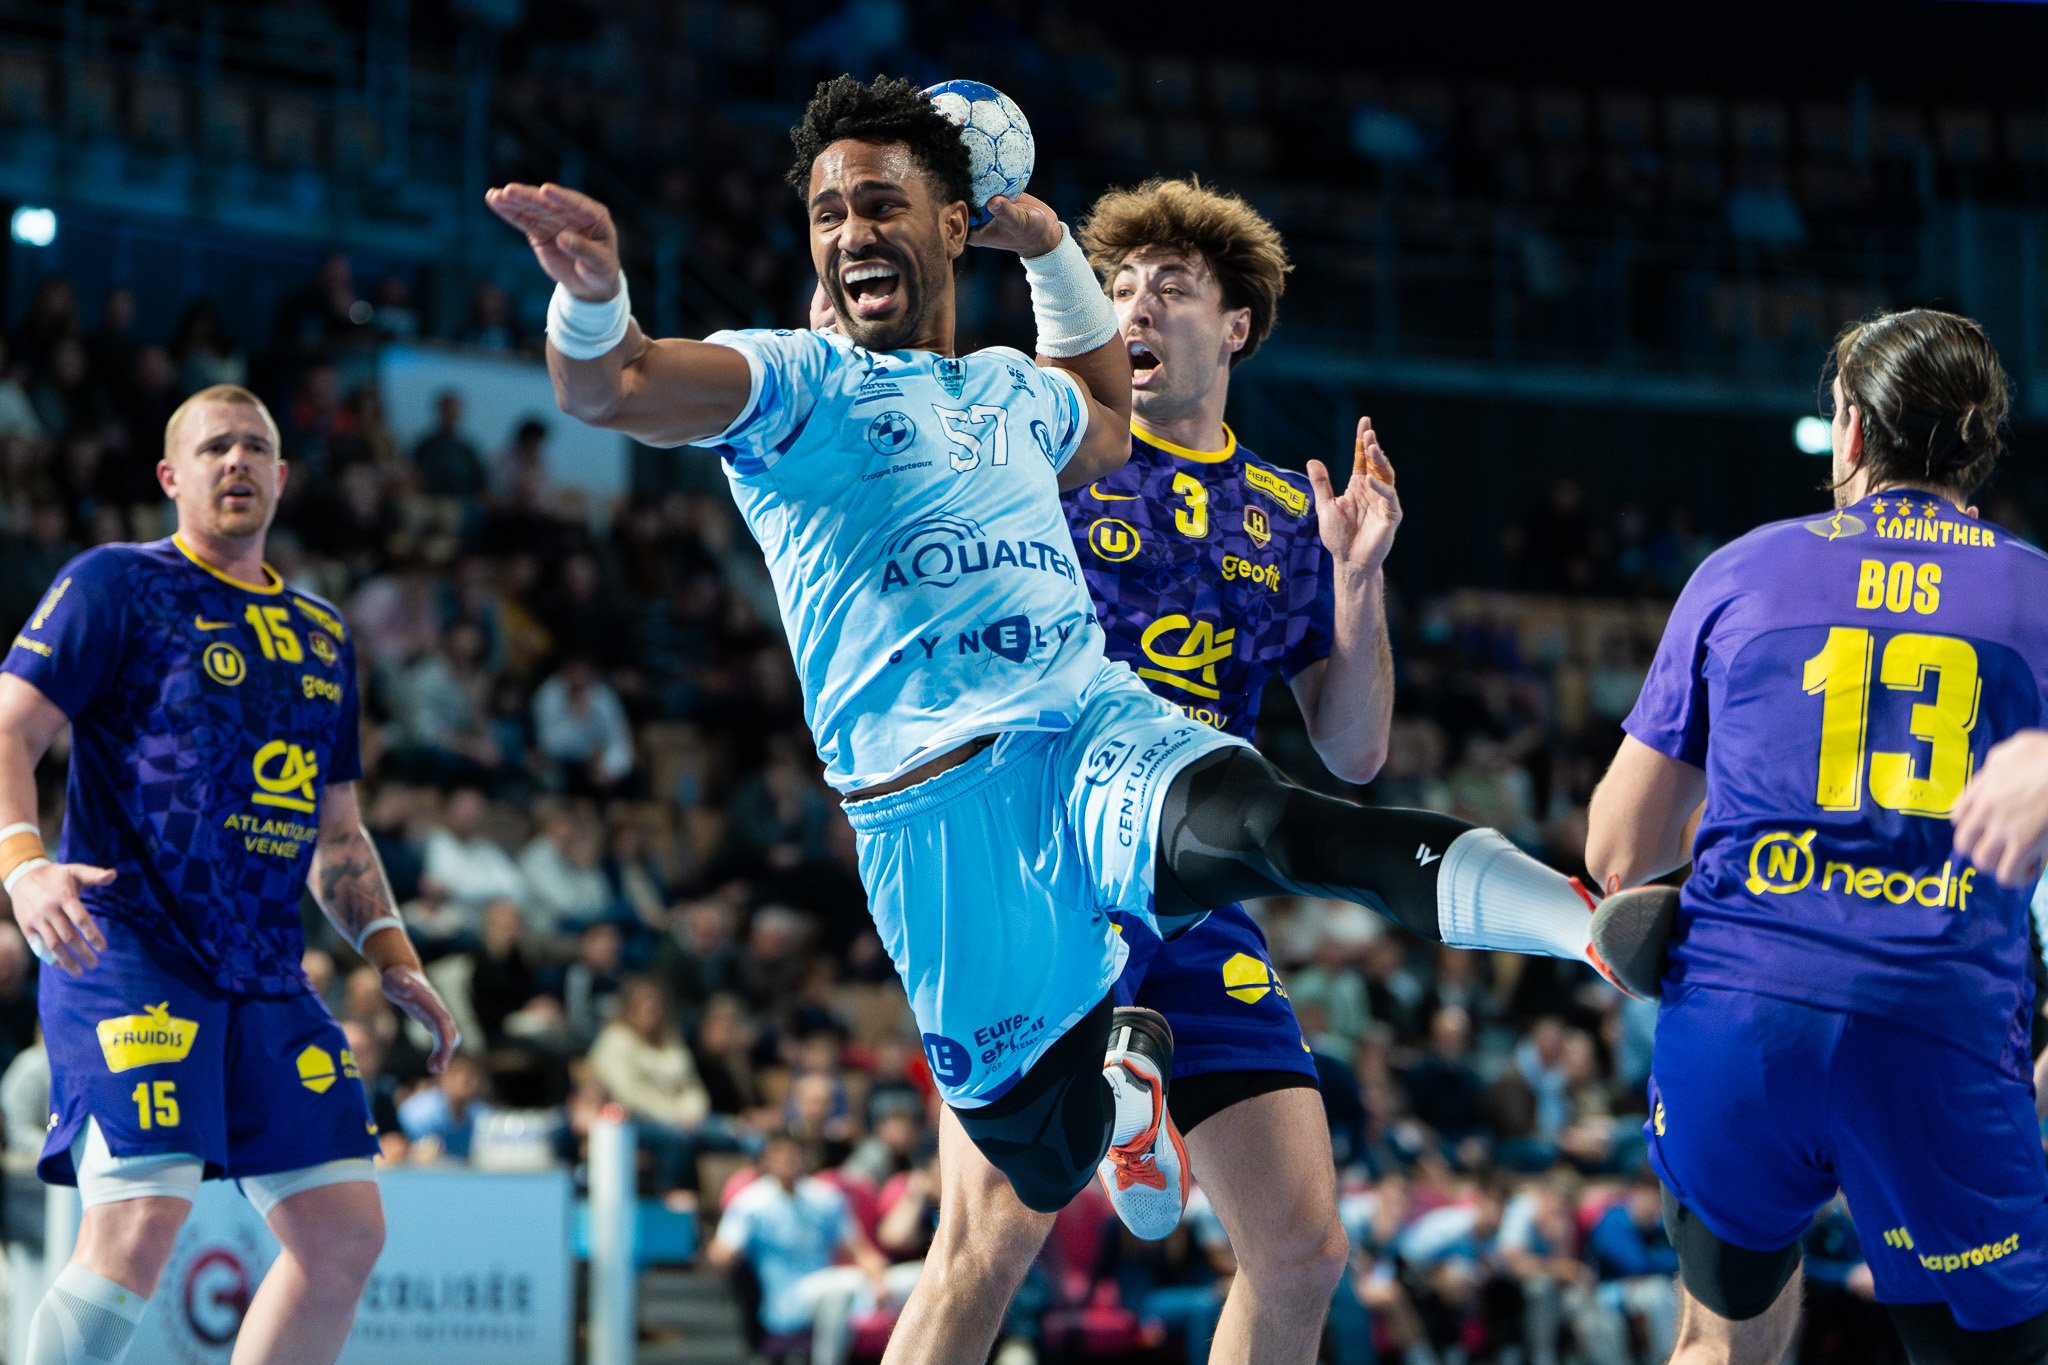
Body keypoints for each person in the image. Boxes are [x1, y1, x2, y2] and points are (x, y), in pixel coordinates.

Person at [488, 73, 1608, 1253]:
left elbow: (1103, 412)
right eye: (827, 216)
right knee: (1040, 1156)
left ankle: (1579, 920)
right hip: (933, 815)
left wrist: (1053, 249)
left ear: (951, 224)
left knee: (1270, 821)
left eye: (880, 204)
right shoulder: (797, 381)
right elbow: (610, 385)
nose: (853, 234)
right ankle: (1121, 1094)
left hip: (1087, 731)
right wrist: (595, 298)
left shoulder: (1012, 393)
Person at [889, 177, 1428, 1365]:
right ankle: (1116, 1055)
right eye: (1119, 285)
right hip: (1044, 863)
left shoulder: (1291, 514)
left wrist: (1357, 578)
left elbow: (1352, 751)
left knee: (1302, 1250)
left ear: (1233, 326)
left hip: (1193, 886)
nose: (1135, 305)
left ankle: (1139, 1055)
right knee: (985, 1239)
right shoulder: (1043, 448)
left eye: (1169, 288)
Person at [1586, 309, 2048, 1364]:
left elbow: (1616, 850)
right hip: (1932, 1023)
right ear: (1978, 448)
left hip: (1740, 1016)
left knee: (1716, 1334)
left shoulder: (1739, 573)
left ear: (1846, 430)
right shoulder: (2029, 592)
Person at [0, 384, 458, 1365]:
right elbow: (10, 726)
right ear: (171, 477)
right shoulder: (114, 583)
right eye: (213, 449)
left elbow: (337, 832)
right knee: (138, 1223)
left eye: (255, 447)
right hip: (126, 946)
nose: (236, 463)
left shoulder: (323, 635)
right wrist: (23, 865)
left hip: (264, 972)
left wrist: (391, 954)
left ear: (284, 478)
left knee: (344, 1234)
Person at [706, 1130, 922, 1365]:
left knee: (921, 1277)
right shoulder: (750, 1203)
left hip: (836, 1286)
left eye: (793, 1154)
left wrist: (878, 1281)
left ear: (804, 1157)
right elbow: (721, 1256)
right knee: (843, 1287)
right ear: (766, 1160)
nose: (787, 1160)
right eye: (779, 1155)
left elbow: (862, 1251)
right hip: (787, 1302)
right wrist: (724, 1247)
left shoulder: (826, 1198)